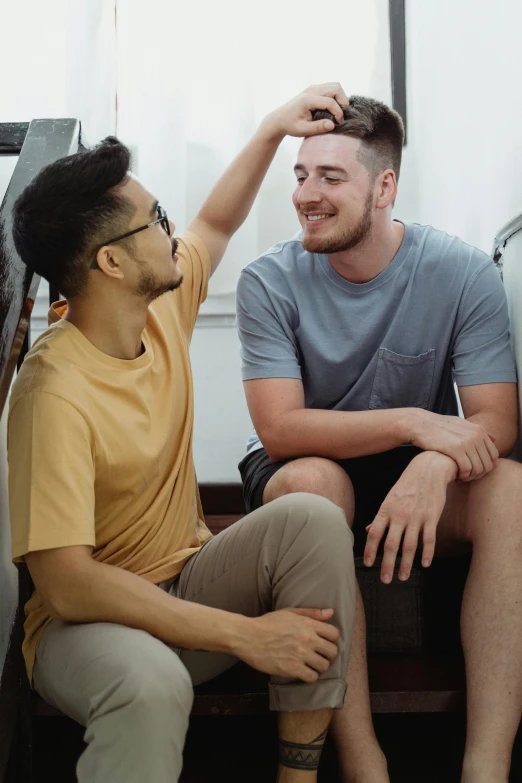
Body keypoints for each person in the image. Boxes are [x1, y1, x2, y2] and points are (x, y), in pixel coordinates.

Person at [7, 84, 358, 783]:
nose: (172, 230)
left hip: (188, 581)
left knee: (312, 517)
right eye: (154, 218)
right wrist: (248, 634)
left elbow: (217, 224)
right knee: (150, 683)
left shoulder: (156, 310)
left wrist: (269, 130)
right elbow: (70, 585)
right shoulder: (53, 391)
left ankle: (298, 775)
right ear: (110, 262)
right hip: (87, 630)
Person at [236, 95, 522, 783]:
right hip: (301, 465)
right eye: (300, 175)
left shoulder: (461, 271)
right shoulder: (267, 280)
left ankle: (485, 767)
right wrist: (412, 421)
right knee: (315, 485)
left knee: (511, 488)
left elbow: (498, 422)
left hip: (408, 468)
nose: (306, 194)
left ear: (384, 186)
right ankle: (365, 763)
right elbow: (280, 428)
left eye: (329, 177)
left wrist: (431, 461)